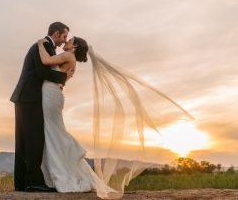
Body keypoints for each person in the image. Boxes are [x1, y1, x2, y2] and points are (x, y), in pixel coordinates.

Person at [37, 36, 194, 199]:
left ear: (74, 46)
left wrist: (41, 44)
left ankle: (66, 164)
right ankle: (65, 165)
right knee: (54, 131)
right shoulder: (71, 60)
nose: (66, 42)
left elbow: (46, 60)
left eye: (69, 40)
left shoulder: (69, 56)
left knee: (54, 131)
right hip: (54, 95)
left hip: (52, 96)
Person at [10, 22, 73, 192]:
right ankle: (32, 183)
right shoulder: (44, 45)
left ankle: (22, 183)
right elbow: (41, 72)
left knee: (26, 140)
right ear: (56, 34)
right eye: (64, 36)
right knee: (33, 139)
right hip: (29, 98)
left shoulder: (47, 47)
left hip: (27, 97)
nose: (64, 40)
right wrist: (64, 77)